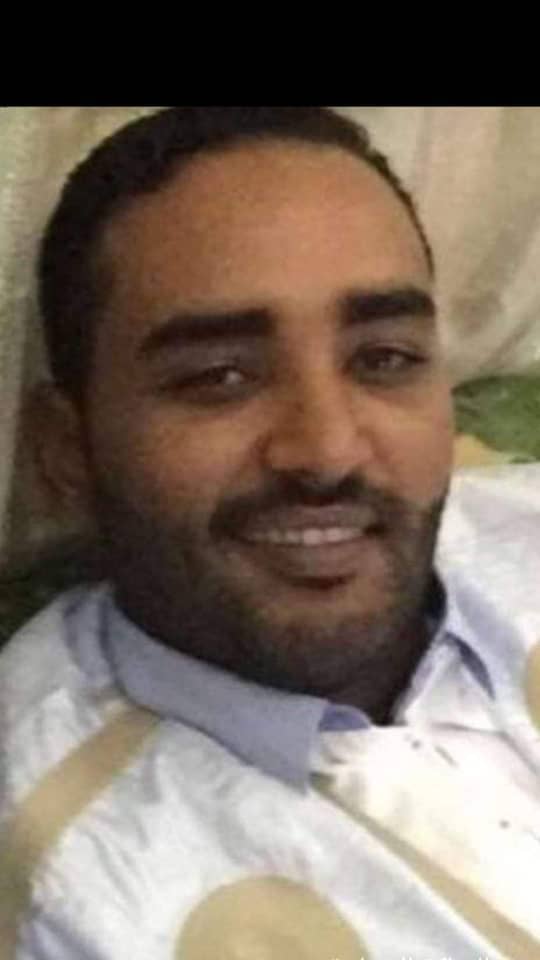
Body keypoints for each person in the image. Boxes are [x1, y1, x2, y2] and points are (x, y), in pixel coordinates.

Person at [0, 106, 539, 959]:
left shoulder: (517, 523)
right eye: (219, 376)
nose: (327, 450)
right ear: (67, 451)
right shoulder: (64, 883)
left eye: (384, 359)